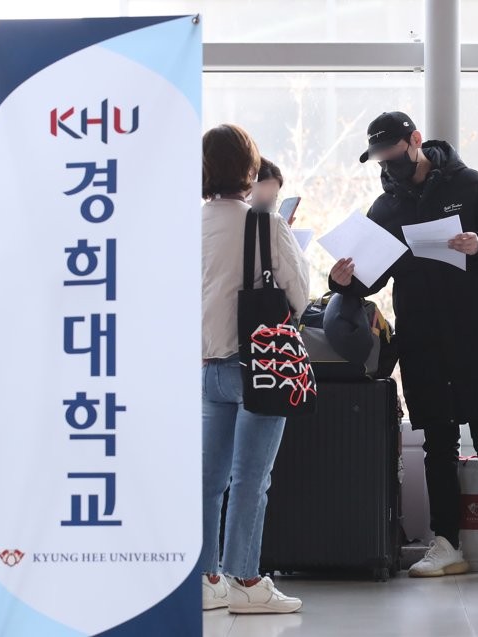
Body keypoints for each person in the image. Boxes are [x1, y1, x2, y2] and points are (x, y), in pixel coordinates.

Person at [329, 112, 478, 580]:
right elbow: (370, 277)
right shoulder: (385, 208)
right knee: (437, 444)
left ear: (415, 141)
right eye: (379, 157)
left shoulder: (470, 185)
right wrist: (341, 281)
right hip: (422, 339)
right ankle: (445, 544)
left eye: (392, 152)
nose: (387, 163)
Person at [200, 124, 310, 613]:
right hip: (258, 365)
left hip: (206, 368)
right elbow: (300, 296)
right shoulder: (265, 223)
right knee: (251, 479)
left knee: (208, 482)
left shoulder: (185, 225)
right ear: (250, 168)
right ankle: (245, 581)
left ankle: (206, 581)